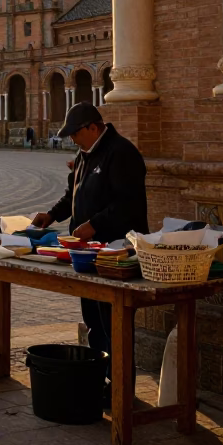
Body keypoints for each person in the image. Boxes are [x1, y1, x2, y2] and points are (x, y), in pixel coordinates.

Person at [30, 102, 148, 402]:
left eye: (75, 133)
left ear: (93, 128)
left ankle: (122, 387)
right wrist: (53, 215)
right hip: (87, 253)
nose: (72, 139)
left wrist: (94, 224)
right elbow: (74, 193)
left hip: (115, 251)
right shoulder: (84, 154)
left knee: (113, 321)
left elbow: (128, 203)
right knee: (94, 318)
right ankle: (103, 378)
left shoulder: (121, 153)